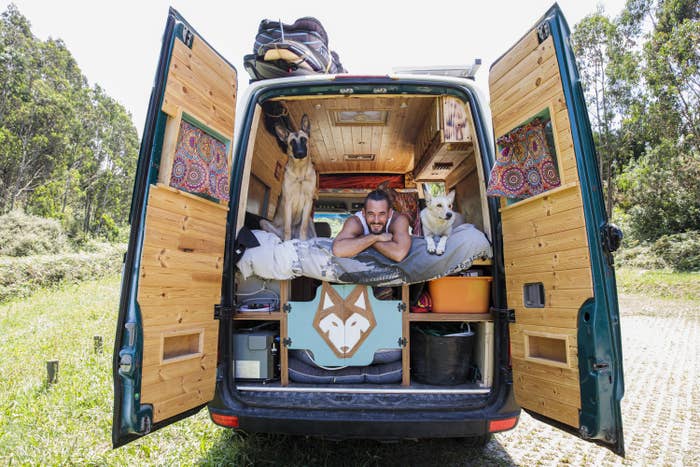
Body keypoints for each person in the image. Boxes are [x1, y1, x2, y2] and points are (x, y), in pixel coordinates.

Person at [332, 189, 411, 262]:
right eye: (371, 214)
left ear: (390, 213)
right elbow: (338, 250)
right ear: (363, 213)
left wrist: (363, 241)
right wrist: (375, 237)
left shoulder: (398, 221)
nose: (376, 220)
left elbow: (399, 255)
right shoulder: (355, 222)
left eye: (381, 214)